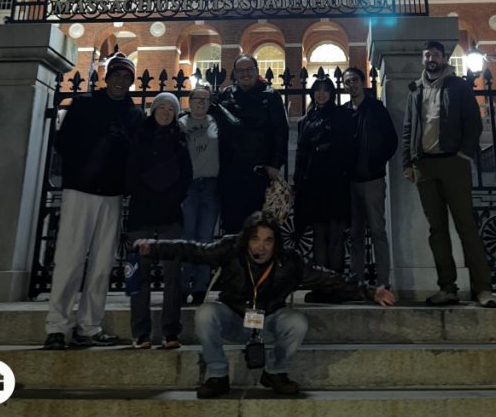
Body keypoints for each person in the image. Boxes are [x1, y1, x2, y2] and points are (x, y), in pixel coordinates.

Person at [135, 209, 395, 398]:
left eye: (268, 241)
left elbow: (328, 279)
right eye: (255, 239)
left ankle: (275, 371)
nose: (261, 247)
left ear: (275, 243)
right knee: (205, 314)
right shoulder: (230, 249)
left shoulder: (289, 261)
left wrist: (371, 291)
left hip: (268, 320)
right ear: (246, 239)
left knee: (297, 321)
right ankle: (217, 375)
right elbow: (193, 250)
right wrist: (154, 247)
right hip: (234, 317)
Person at [43, 52, 143, 349]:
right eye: (117, 75)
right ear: (107, 76)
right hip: (81, 190)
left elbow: (136, 156)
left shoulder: (134, 115)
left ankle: (89, 325)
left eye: (126, 77)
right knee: (70, 260)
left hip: (112, 195)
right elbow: (63, 144)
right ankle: (57, 326)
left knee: (101, 264)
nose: (120, 81)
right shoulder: (84, 105)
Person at [403, 40, 496, 308]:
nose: (431, 58)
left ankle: (483, 289)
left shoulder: (458, 87)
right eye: (427, 55)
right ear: (423, 59)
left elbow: (473, 122)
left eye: (435, 54)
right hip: (424, 166)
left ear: (444, 58)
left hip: (453, 164)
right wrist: (407, 163)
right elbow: (408, 128)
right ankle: (448, 288)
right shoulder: (415, 90)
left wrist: (464, 155)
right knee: (437, 230)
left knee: (466, 226)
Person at [126, 92, 192, 349]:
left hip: (170, 214)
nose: (166, 113)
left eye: (171, 109)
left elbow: (186, 176)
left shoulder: (180, 140)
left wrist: (169, 198)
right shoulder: (138, 137)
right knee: (138, 275)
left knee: (173, 275)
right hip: (141, 215)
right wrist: (149, 194)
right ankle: (141, 332)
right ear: (153, 110)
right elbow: (130, 174)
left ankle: (170, 331)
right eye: (161, 107)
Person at [293, 77, 354, 300]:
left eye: (325, 90)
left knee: (335, 233)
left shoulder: (342, 116)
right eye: (317, 90)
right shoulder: (307, 120)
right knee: (319, 233)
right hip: (314, 182)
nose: (321, 94)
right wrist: (298, 183)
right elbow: (300, 153)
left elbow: (348, 147)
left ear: (331, 93)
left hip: (336, 181)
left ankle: (335, 285)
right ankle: (321, 285)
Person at [214, 54, 289, 233]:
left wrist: (275, 164)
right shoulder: (225, 95)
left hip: (259, 172)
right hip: (230, 172)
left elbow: (281, 131)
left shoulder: (271, 96)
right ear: (234, 73)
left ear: (257, 71)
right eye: (240, 70)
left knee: (258, 228)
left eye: (249, 69)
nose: (245, 74)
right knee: (232, 226)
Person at [342, 67, 398, 290]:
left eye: (354, 80)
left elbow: (391, 140)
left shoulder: (376, 108)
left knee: (377, 230)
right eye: (347, 82)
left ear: (362, 82)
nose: (351, 85)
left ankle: (383, 281)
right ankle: (357, 278)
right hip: (351, 180)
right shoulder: (345, 111)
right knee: (355, 232)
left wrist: (377, 161)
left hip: (372, 178)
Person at [178, 85, 220, 304]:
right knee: (187, 237)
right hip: (189, 186)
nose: (202, 103)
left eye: (206, 99)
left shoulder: (216, 122)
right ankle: (184, 286)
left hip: (210, 186)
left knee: (205, 239)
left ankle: (202, 287)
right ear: (190, 101)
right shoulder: (180, 124)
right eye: (198, 99)